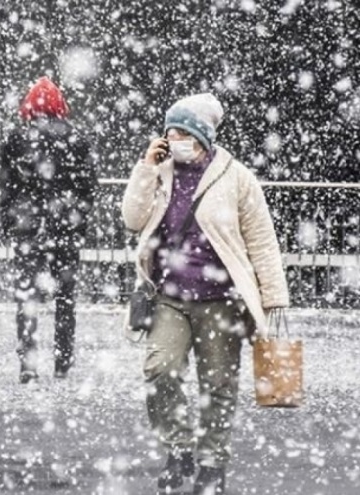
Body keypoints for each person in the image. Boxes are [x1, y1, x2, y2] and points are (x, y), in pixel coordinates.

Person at [120, 93, 289, 494]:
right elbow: (132, 219)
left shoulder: (236, 177)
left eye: (182, 132)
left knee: (217, 384)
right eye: (169, 133)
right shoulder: (160, 172)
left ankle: (212, 464)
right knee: (159, 370)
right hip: (169, 296)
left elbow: (262, 240)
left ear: (202, 135)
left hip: (220, 299)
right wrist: (146, 168)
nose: (174, 139)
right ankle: (178, 449)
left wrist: (274, 297)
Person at [0, 77, 96, 383]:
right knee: (65, 298)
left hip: (29, 229)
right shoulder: (77, 139)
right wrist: (79, 219)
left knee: (27, 296)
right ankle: (63, 361)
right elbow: (87, 187)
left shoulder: (16, 138)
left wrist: (8, 219)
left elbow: (7, 186)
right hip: (65, 227)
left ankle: (28, 363)